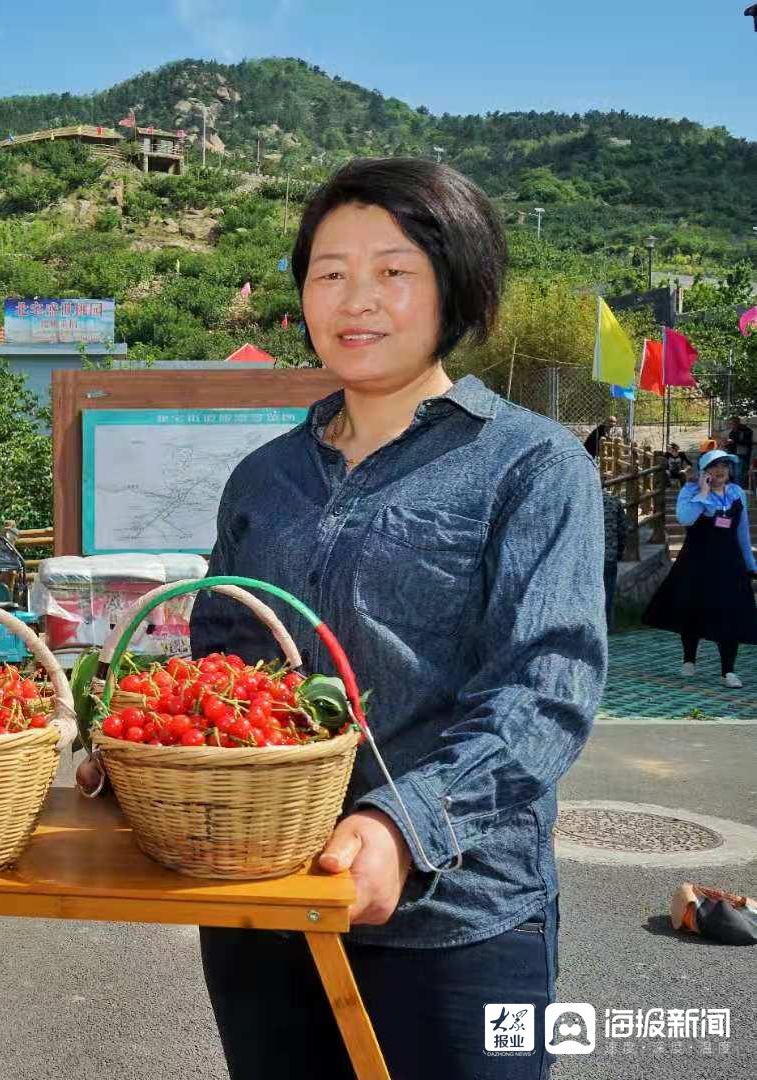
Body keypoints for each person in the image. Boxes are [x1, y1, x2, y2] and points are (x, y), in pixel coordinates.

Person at [185, 158, 606, 1080]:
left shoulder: (531, 467)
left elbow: (547, 689)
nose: (356, 299)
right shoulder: (264, 477)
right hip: (265, 900)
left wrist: (400, 825)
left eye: (393, 270)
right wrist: (158, 755)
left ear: (455, 286)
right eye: (330, 272)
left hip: (461, 922)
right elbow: (218, 651)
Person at [642, 449, 757, 689]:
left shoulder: (736, 494)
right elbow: (686, 519)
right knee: (693, 610)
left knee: (730, 614)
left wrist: (750, 564)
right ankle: (689, 659)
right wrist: (703, 493)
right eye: (715, 466)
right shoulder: (690, 492)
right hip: (697, 563)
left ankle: (728, 671)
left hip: (729, 563)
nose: (721, 470)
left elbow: (742, 532)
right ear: (705, 471)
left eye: (724, 466)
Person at [601, 486, 628, 629]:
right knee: (608, 594)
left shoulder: (584, 502)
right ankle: (608, 626)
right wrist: (620, 551)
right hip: (609, 556)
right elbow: (623, 530)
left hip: (589, 558)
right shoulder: (614, 501)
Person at [729, 415, 754, 488]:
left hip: (740, 454)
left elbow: (747, 443)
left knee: (738, 473)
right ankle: (735, 489)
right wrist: (727, 443)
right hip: (733, 453)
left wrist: (733, 441)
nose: (732, 425)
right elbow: (732, 442)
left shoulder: (746, 431)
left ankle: (738, 491)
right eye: (731, 424)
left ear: (737, 423)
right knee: (733, 473)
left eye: (733, 423)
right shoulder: (733, 431)